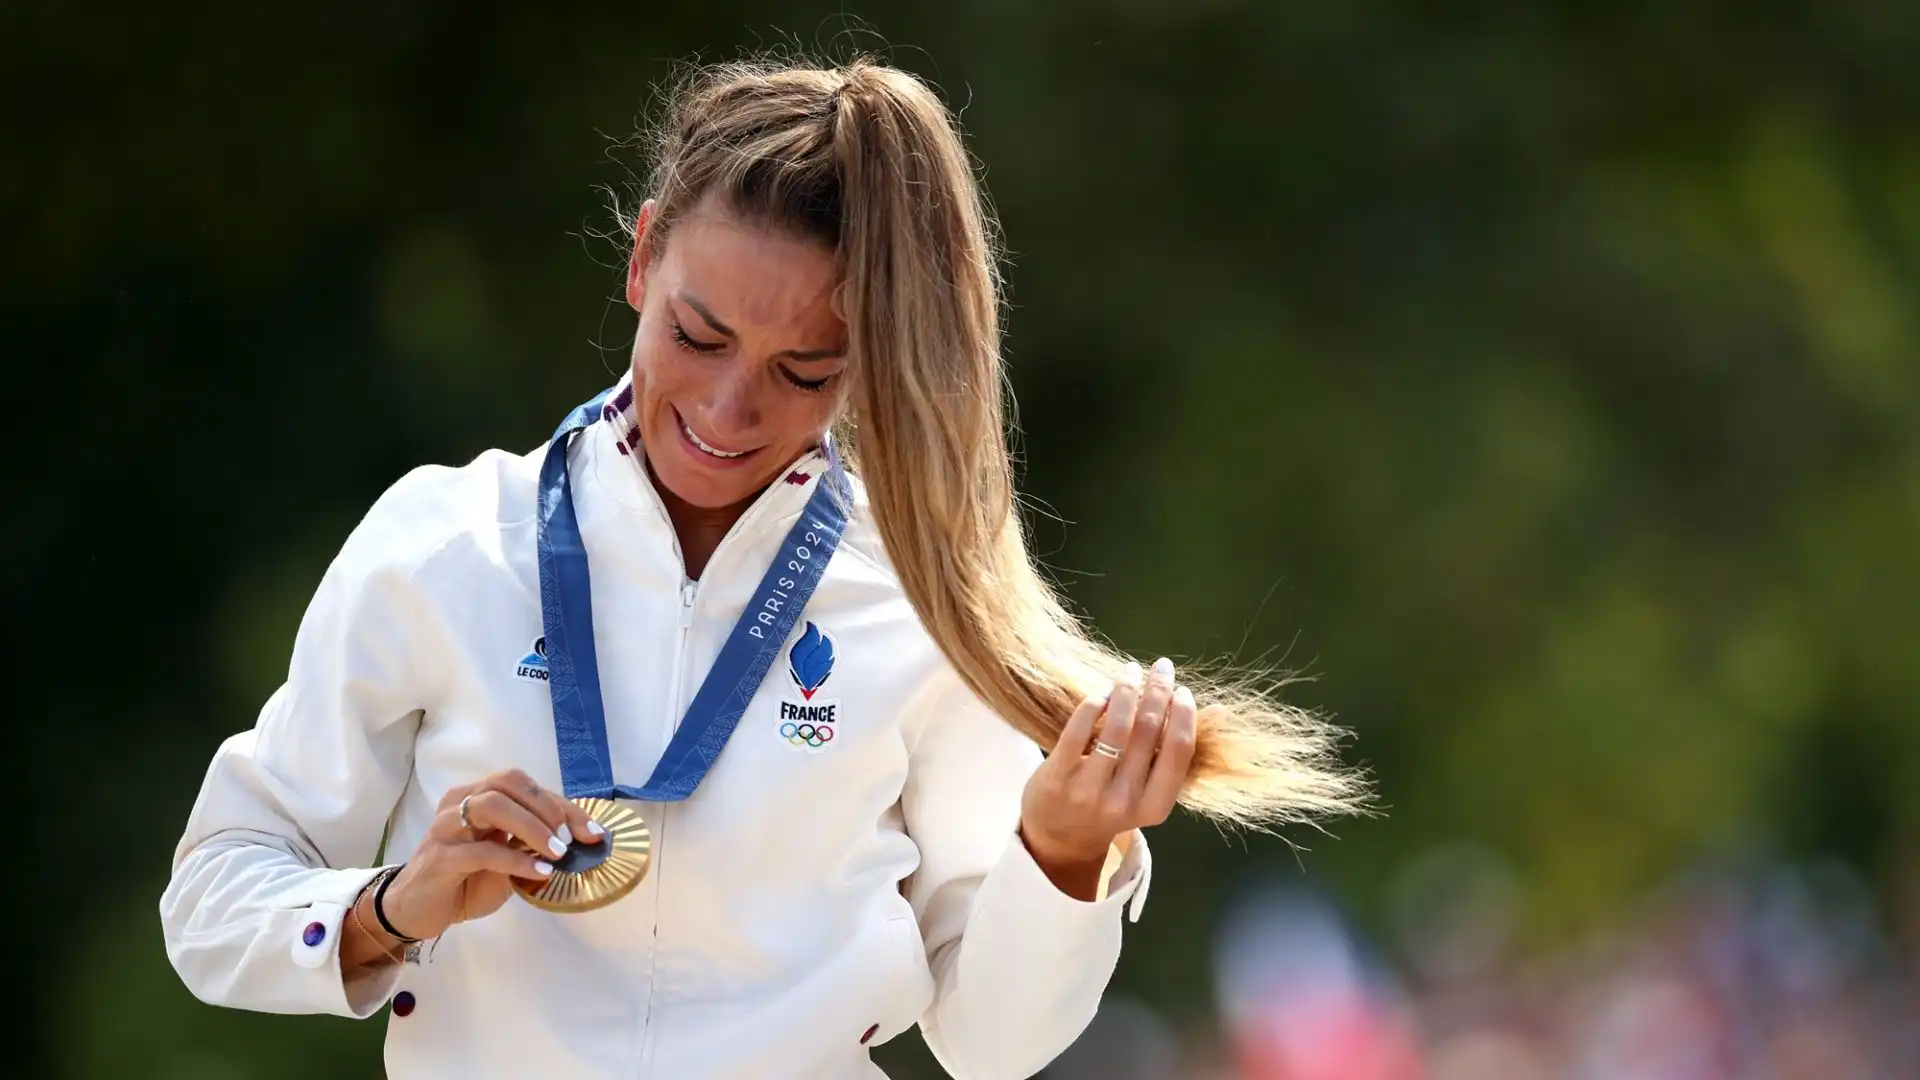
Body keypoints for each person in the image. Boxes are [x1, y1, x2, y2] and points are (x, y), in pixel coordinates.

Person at [159, 56, 1367, 1080]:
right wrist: (390, 908)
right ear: (640, 262)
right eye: (699, 334)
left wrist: (1058, 853)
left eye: (805, 370)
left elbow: (993, 1048)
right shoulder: (444, 542)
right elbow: (212, 901)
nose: (733, 409)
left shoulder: (923, 599)